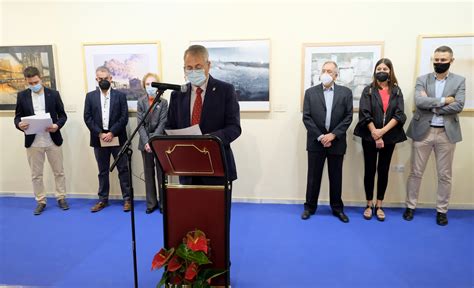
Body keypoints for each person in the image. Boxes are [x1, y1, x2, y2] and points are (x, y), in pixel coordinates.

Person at [404, 46, 465, 226]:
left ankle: (442, 210)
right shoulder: (422, 80)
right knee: (415, 173)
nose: (439, 63)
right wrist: (445, 100)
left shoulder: (460, 81)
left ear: (451, 60)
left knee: (445, 175)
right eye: (436, 60)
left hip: (446, 134)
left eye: (443, 60)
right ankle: (410, 206)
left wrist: (431, 105)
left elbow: (459, 106)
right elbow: (419, 101)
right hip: (423, 131)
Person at [165, 44, 241, 187]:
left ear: (208, 65)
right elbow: (170, 126)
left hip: (217, 166)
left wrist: (210, 140)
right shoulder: (177, 94)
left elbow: (234, 128)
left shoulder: (225, 90)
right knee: (190, 209)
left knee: (216, 209)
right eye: (189, 68)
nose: (193, 71)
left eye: (198, 67)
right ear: (184, 69)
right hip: (187, 168)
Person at [354, 58, 407, 221]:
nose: (381, 71)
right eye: (379, 69)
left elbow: (399, 114)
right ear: (375, 71)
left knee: (383, 171)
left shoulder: (397, 91)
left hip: (389, 137)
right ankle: (369, 204)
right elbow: (364, 113)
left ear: (390, 71)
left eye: (385, 68)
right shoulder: (368, 90)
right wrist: (375, 133)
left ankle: (379, 205)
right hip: (369, 136)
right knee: (369, 170)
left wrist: (382, 132)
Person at [301, 61, 353, 223]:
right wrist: (321, 137)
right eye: (323, 70)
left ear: (336, 75)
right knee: (313, 177)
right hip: (316, 142)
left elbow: (348, 117)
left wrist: (333, 135)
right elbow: (307, 117)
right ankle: (309, 207)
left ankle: (337, 208)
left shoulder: (346, 93)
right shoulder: (310, 93)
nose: (325, 73)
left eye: (329, 71)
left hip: (336, 143)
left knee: (336, 177)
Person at [14, 66, 69, 215]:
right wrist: (19, 124)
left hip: (52, 139)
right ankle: (41, 200)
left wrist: (57, 125)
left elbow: (63, 115)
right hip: (33, 141)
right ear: (26, 81)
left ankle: (61, 197)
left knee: (59, 171)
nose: (33, 85)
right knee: (36, 174)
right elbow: (17, 117)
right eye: (30, 83)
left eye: (36, 82)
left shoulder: (54, 94)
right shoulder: (22, 96)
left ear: (41, 78)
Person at [84, 66, 131, 213]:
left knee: (123, 169)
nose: (103, 81)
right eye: (100, 79)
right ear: (96, 79)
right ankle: (103, 199)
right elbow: (87, 117)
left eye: (106, 78)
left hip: (117, 137)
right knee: (102, 171)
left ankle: (127, 199)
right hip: (99, 139)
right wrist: (100, 133)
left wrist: (111, 132)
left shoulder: (120, 96)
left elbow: (124, 118)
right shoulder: (90, 96)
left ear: (111, 79)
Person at [137, 72, 168, 214]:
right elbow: (140, 124)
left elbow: (162, 123)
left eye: (153, 84)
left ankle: (163, 203)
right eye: (147, 84)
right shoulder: (141, 102)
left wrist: (153, 141)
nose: (150, 87)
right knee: (148, 174)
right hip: (145, 144)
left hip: (159, 142)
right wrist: (146, 142)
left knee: (161, 173)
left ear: (158, 86)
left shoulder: (163, 102)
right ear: (144, 86)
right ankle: (151, 203)